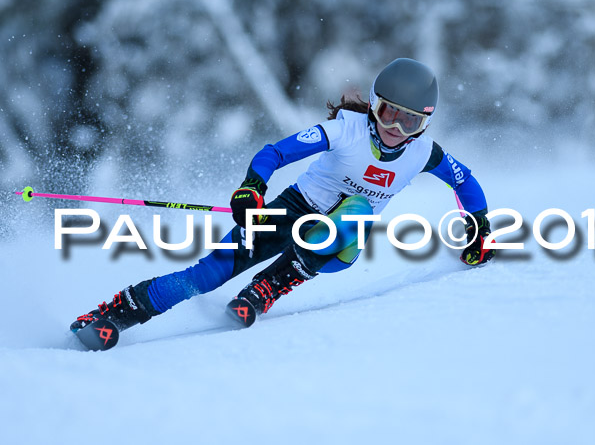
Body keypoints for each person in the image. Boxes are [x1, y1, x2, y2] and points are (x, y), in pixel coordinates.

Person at [70, 58, 496, 333]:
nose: (396, 131)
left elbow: (465, 182)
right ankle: (116, 314)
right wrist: (252, 188)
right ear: (373, 104)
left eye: (410, 123)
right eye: (388, 114)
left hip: (342, 240)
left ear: (425, 125)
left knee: (359, 209)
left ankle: (266, 289)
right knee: (207, 274)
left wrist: (478, 227)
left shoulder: (422, 153)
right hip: (293, 208)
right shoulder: (344, 130)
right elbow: (274, 153)